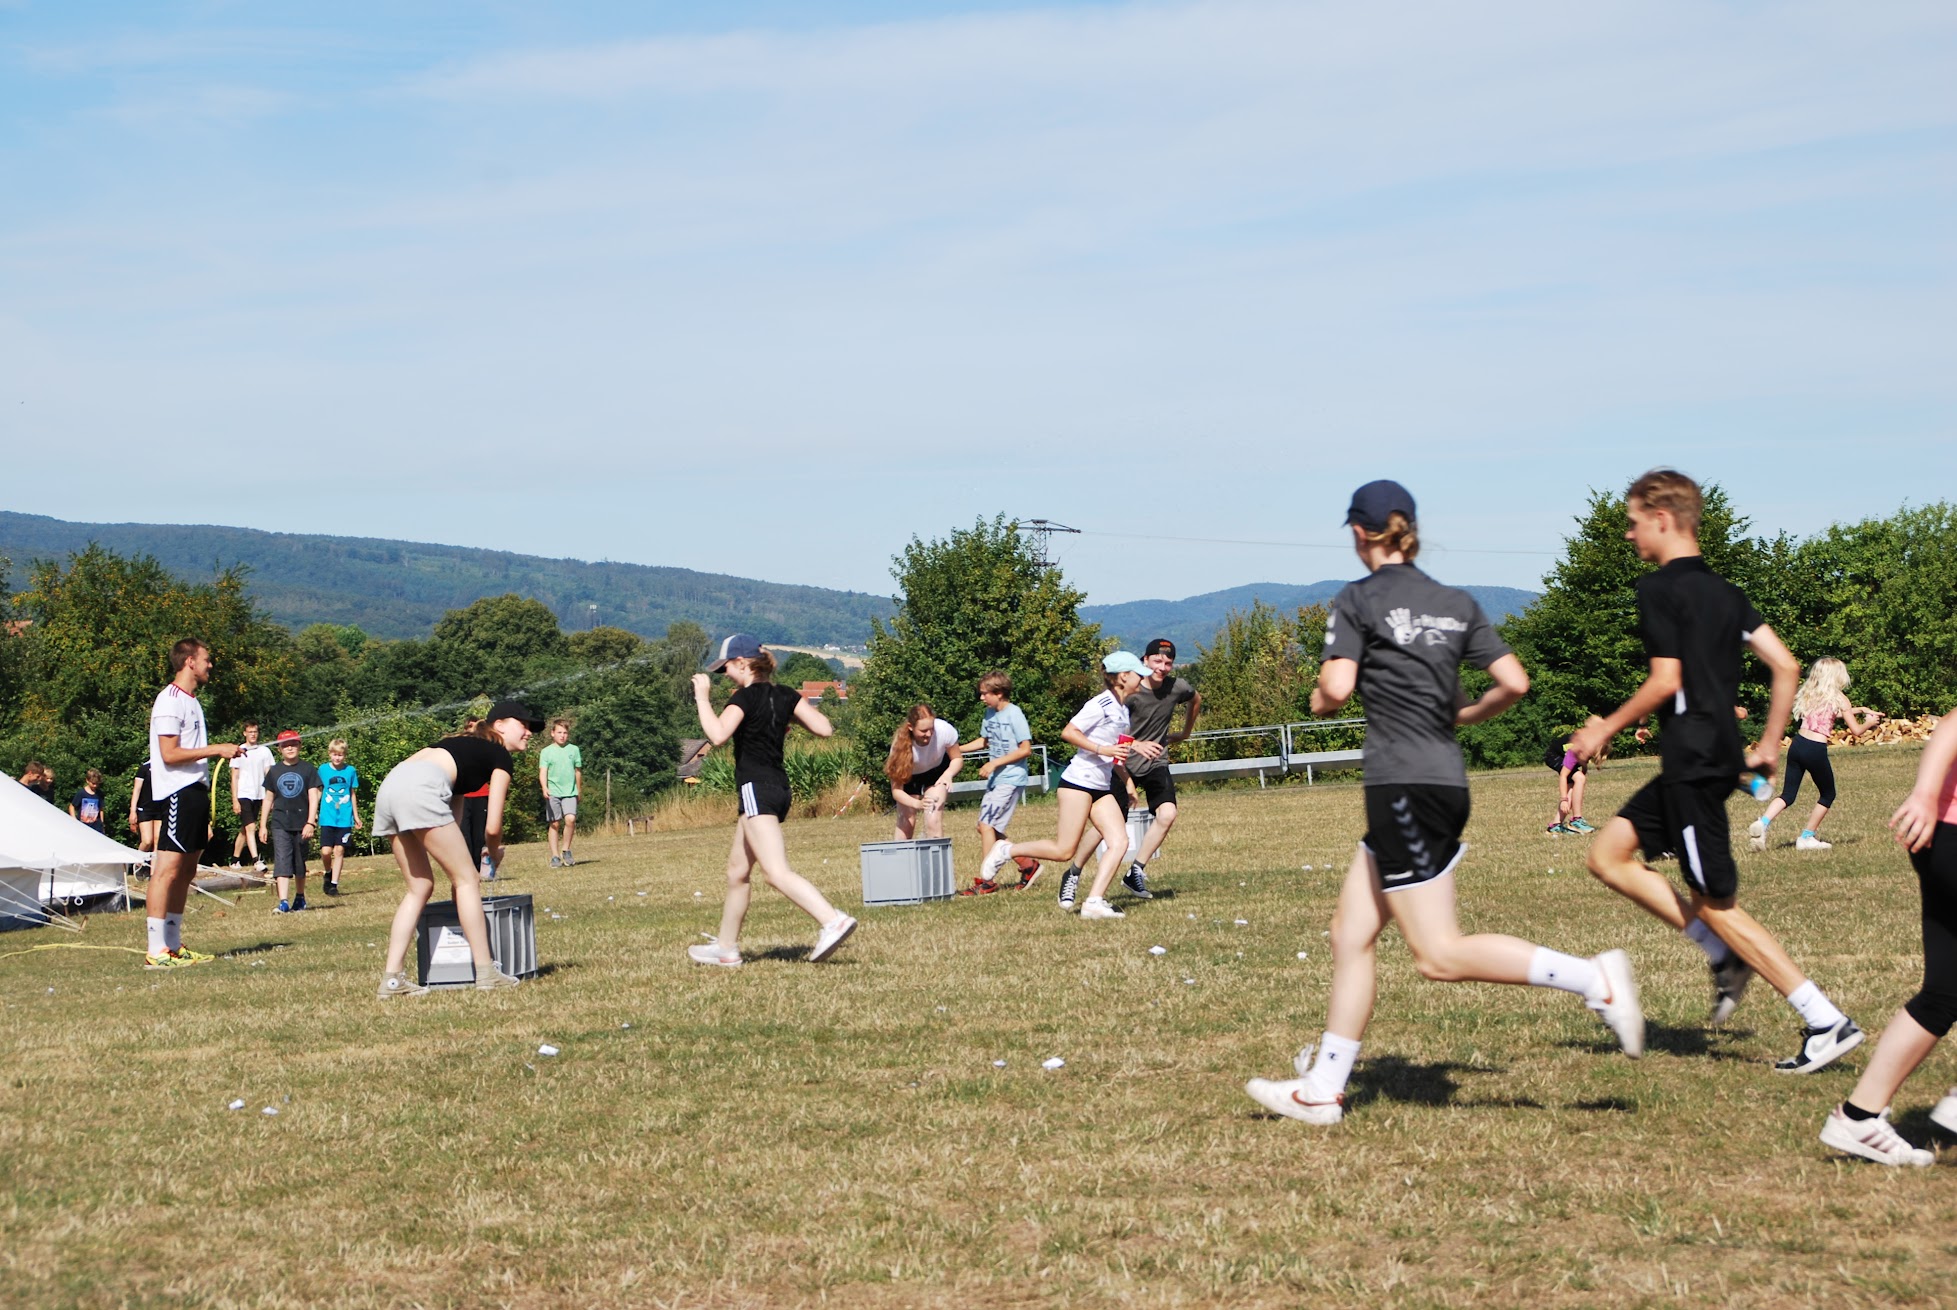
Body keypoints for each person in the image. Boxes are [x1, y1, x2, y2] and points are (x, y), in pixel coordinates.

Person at [1244, 481, 1643, 1127]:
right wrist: (1465, 714)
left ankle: (1591, 979)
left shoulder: (1358, 598)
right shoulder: (1455, 602)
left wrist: (1320, 698)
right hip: (1443, 782)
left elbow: (1336, 688)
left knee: (1438, 954)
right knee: (1350, 932)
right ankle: (1323, 1088)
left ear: (1361, 532)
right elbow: (1514, 682)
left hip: (1401, 786)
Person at [1573, 469, 1862, 1071]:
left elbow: (1666, 680)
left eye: (1632, 523)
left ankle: (1824, 1020)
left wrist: (1604, 728)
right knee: (1607, 855)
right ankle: (1723, 955)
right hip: (1710, 758)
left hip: (1694, 764)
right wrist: (1769, 743)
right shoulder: (1727, 593)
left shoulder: (1658, 589)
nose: (1628, 534)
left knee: (1716, 904)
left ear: (1662, 519)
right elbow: (1785, 665)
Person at [1816, 709, 1957, 1166]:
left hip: (1941, 836)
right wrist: (1925, 794)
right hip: (1948, 832)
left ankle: (1858, 1117)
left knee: (1944, 993)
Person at [687, 634, 857, 967]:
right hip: (778, 789)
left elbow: (718, 735)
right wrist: (783, 716)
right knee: (737, 872)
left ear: (741, 663)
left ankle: (832, 920)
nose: (725, 676)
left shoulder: (744, 698)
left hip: (755, 788)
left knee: (775, 872)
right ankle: (726, 948)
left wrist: (702, 698)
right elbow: (824, 728)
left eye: (726, 668)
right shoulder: (786, 695)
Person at [373, 700, 541, 997]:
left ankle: (392, 980)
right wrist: (493, 852)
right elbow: (493, 827)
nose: (529, 732)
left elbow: (453, 820)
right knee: (468, 879)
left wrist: (462, 869)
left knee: (419, 887)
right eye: (523, 725)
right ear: (500, 725)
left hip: (390, 788)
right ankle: (486, 973)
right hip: (420, 790)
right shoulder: (500, 755)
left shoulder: (460, 748)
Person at [979, 651, 1151, 920]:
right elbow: (1069, 732)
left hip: (1101, 786)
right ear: (1123, 676)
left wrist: (1128, 783)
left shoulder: (1122, 710)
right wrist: (1102, 748)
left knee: (1120, 842)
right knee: (1064, 851)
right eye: (1138, 674)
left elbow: (1116, 754)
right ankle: (1007, 850)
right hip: (1077, 783)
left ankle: (1093, 902)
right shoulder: (1100, 703)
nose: (1142, 679)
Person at [144, 638, 241, 970]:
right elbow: (169, 754)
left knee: (186, 871)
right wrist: (217, 749)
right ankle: (156, 950)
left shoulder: (192, 701)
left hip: (196, 791)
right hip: (178, 792)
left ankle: (173, 945)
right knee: (167, 870)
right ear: (189, 662)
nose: (210, 665)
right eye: (206, 659)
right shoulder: (169, 701)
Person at [1749, 658, 1883, 853]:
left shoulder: (1811, 693)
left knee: (1788, 795)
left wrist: (1860, 710)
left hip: (1797, 745)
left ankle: (1763, 823)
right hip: (1815, 749)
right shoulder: (1840, 698)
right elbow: (1856, 731)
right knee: (1828, 794)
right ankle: (1807, 837)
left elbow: (1830, 714)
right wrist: (1869, 723)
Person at [1117, 637, 1201, 899]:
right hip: (1123, 764)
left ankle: (1135, 872)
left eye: (1168, 663)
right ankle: (1074, 872)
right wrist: (1134, 747)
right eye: (1157, 661)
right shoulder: (1130, 693)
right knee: (1106, 827)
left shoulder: (1177, 687)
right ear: (1145, 660)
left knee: (1167, 814)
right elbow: (1111, 734)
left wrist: (1185, 733)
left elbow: (1195, 699)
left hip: (1156, 761)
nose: (1162, 667)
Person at [957, 672, 1036, 895]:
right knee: (988, 828)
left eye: (985, 693)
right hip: (997, 779)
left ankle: (986, 881)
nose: (981, 698)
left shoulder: (1014, 714)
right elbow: (984, 741)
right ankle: (1028, 865)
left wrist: (994, 763)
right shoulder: (989, 714)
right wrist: (955, 749)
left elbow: (1025, 749)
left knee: (987, 826)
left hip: (1011, 778)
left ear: (999, 693)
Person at [259, 730, 320, 913]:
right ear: (279, 749)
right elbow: (268, 799)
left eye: (293, 744)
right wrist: (262, 825)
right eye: (285, 745)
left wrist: (311, 822)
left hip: (302, 822)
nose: (290, 748)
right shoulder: (274, 771)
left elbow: (313, 797)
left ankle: (300, 897)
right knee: (282, 860)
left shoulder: (308, 769)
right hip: (280, 822)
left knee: (299, 862)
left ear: (299, 746)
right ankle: (283, 902)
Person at [884, 704, 964, 841]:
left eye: (931, 729)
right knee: (907, 821)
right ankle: (902, 853)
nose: (929, 734)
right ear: (910, 727)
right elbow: (896, 791)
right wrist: (917, 804)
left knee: (933, 817)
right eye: (923, 731)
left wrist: (948, 774)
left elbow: (957, 758)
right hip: (910, 775)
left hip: (937, 772)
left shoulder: (944, 730)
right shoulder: (899, 746)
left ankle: (936, 853)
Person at [224, 722, 274, 871]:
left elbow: (269, 775)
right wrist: (235, 800)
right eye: (250, 732)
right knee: (251, 827)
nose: (253, 734)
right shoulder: (239, 751)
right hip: (244, 794)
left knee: (245, 829)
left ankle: (234, 860)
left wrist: (271, 796)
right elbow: (234, 777)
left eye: (255, 732)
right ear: (244, 733)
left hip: (259, 794)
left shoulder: (264, 751)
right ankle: (256, 860)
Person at [317, 737, 360, 897]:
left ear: (345, 755)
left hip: (344, 817)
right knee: (326, 851)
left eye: (340, 755)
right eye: (334, 754)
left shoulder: (350, 771)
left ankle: (334, 885)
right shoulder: (323, 770)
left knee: (339, 850)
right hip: (327, 816)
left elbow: (352, 793)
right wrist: (312, 811)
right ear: (330, 754)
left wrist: (356, 815)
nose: (337, 758)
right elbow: (319, 791)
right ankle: (328, 872)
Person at [1544, 719, 1602, 835]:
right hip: (1553, 756)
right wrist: (1563, 799)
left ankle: (1555, 825)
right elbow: (1563, 775)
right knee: (1579, 778)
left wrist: (1584, 768)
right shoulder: (1577, 746)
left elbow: (1582, 759)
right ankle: (1576, 820)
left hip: (1564, 756)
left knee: (1574, 785)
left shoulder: (1588, 743)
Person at [539, 718, 582, 868]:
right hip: (553, 792)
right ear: (552, 733)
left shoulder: (574, 750)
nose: (562, 736)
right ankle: (555, 856)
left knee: (570, 819)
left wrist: (578, 790)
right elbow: (543, 771)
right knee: (555, 823)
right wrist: (544, 787)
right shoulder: (546, 752)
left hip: (570, 792)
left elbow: (577, 771)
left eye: (565, 733)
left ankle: (566, 850)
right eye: (559, 732)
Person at [456, 717, 493, 875]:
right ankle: (468, 868)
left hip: (481, 794)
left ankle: (478, 868)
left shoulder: (485, 747)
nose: (472, 730)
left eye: (475, 727)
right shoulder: (459, 747)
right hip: (463, 796)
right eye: (470, 727)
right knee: (464, 833)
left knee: (479, 835)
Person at [128, 760, 162, 856]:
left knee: (158, 841)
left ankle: (154, 866)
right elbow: (136, 790)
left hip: (160, 808)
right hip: (144, 808)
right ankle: (137, 862)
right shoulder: (144, 768)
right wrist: (133, 811)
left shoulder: (165, 768)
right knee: (147, 841)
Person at [68, 768, 108, 834]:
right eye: (93, 783)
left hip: (96, 827)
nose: (95, 785)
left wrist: (102, 823)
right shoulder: (81, 793)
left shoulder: (99, 794)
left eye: (97, 784)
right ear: (87, 780)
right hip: (83, 826)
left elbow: (101, 809)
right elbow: (72, 806)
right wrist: (74, 820)